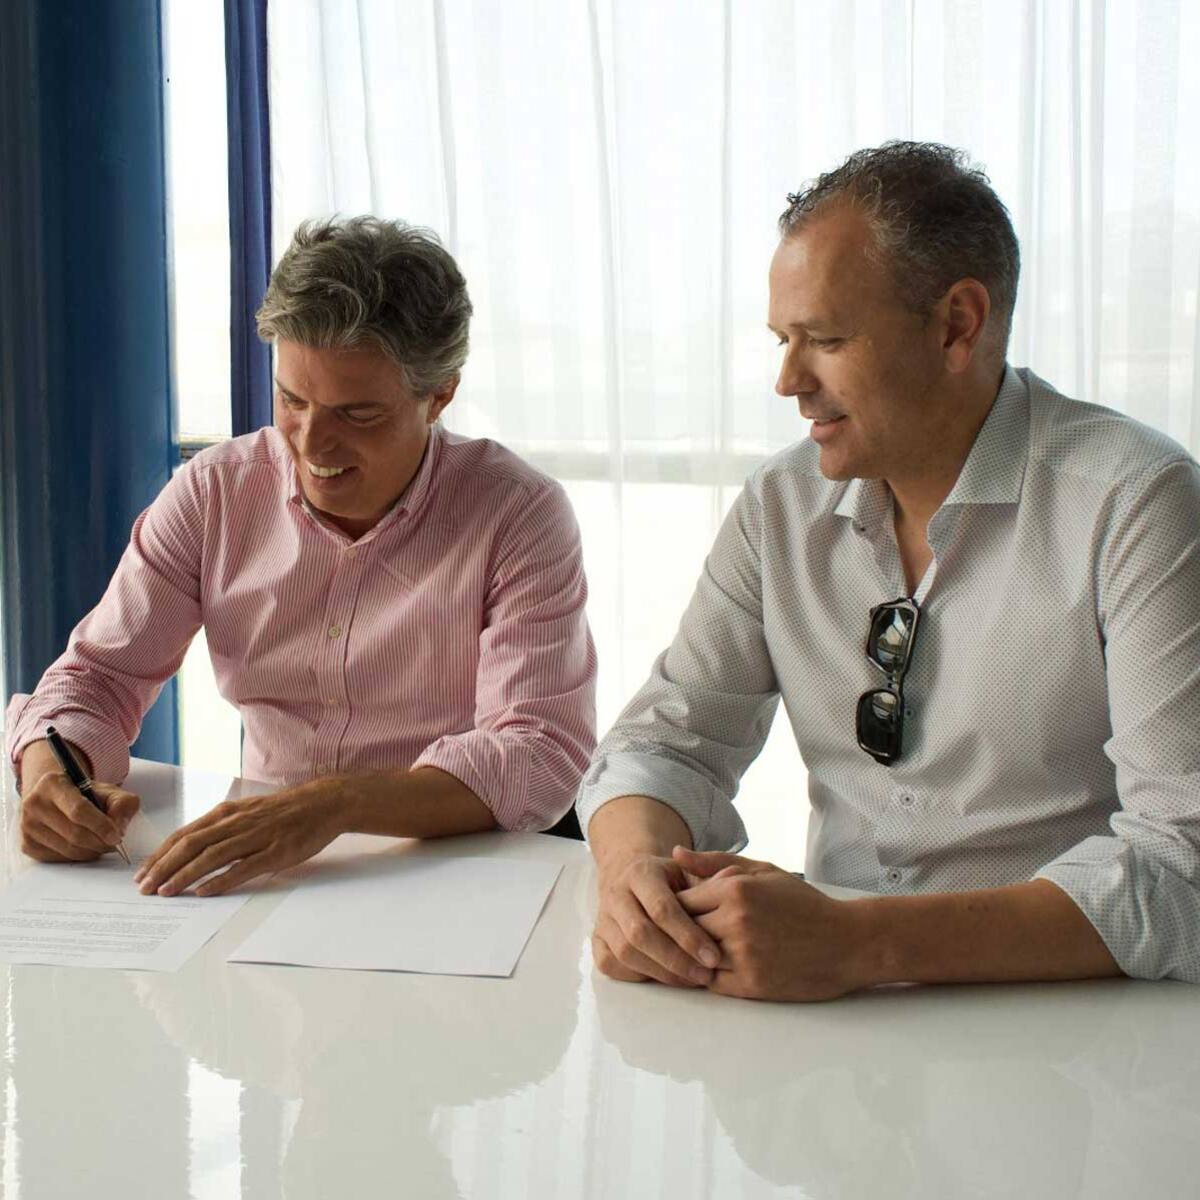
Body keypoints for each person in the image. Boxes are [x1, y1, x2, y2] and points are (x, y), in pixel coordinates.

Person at [578, 141, 1200, 1000]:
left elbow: (1182, 865)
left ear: (957, 325)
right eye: (784, 340)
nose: (788, 381)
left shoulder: (1136, 501)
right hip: (830, 1022)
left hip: (1068, 1027)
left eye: (826, 339)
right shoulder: (779, 505)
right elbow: (662, 744)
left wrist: (858, 944)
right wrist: (634, 879)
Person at [8, 216, 596, 896]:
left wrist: (335, 804)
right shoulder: (214, 492)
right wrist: (52, 776)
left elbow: (538, 753)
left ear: (439, 395)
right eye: (292, 400)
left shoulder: (519, 513)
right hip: (273, 872)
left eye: (357, 414)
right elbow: (97, 679)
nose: (312, 445)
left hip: (462, 874)